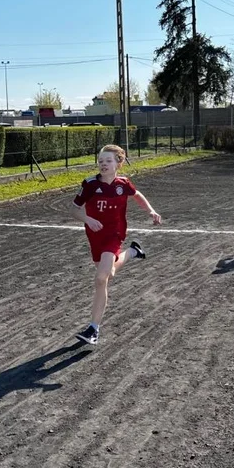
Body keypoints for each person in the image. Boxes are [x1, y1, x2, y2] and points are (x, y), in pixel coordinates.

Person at [72, 144, 162, 345]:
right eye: (101, 161)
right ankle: (132, 252)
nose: (103, 164)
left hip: (115, 234)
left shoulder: (124, 184)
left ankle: (93, 329)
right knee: (109, 273)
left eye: (108, 161)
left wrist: (150, 211)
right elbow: (75, 209)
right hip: (95, 234)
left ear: (118, 164)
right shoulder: (89, 185)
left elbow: (137, 195)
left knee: (101, 278)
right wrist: (87, 219)